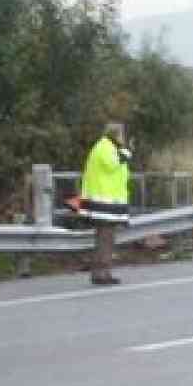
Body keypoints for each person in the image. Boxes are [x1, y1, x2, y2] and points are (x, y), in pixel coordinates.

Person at [78, 121, 131, 286]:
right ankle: (102, 273)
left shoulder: (105, 147)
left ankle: (101, 272)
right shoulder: (105, 148)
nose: (123, 137)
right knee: (106, 239)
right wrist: (125, 152)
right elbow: (112, 165)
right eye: (121, 134)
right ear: (115, 135)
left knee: (104, 238)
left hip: (105, 202)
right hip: (104, 203)